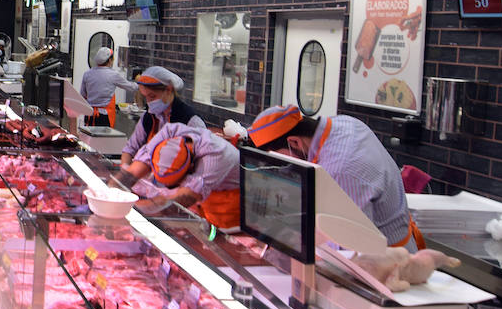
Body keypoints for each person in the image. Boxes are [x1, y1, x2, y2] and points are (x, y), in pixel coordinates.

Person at [248, 104, 416, 247]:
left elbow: (347, 246)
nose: (283, 168)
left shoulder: (341, 169)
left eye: (279, 160)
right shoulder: (342, 123)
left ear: (294, 142)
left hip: (387, 264)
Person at [118, 122, 241, 228]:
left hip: (228, 209)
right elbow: (132, 173)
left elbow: (177, 202)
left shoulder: (216, 155)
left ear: (191, 168)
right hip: (201, 207)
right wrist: (110, 194)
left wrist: (128, 208)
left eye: (172, 185)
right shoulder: (170, 132)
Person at [120, 65, 205, 165]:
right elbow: (130, 149)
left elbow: (203, 159)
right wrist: (125, 168)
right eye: (145, 97)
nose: (149, 102)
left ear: (168, 90)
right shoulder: (148, 117)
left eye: (152, 96)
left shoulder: (191, 120)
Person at [79, 46, 137, 127]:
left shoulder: (87, 74)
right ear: (110, 60)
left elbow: (82, 95)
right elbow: (132, 87)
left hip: (89, 115)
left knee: (89, 138)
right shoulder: (113, 75)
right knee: (104, 139)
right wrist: (142, 81)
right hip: (105, 117)